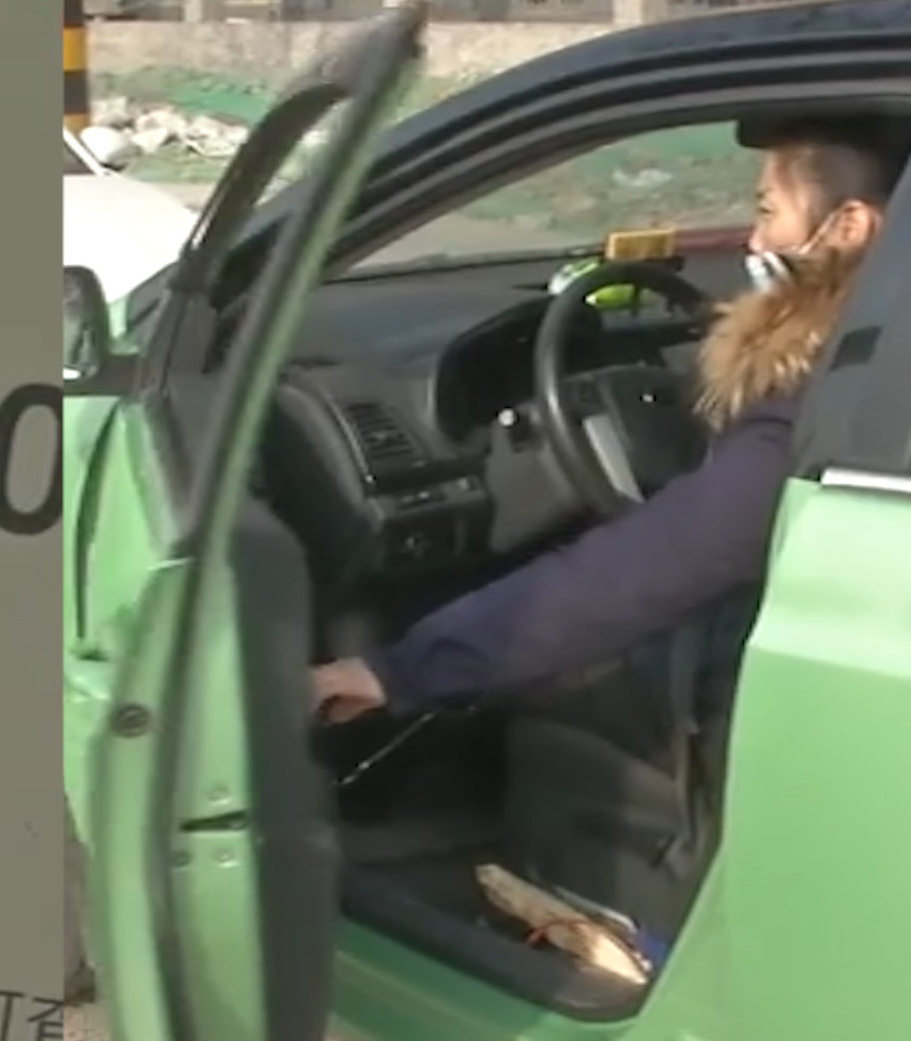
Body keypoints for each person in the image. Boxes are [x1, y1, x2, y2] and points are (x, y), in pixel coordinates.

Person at [313, 113, 911, 725]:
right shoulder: (874, 350)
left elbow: (673, 554)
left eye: (768, 212)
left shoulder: (832, 389)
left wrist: (404, 668)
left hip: (818, 692)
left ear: (848, 226)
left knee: (553, 709)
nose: (756, 242)